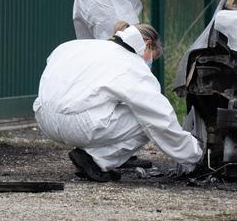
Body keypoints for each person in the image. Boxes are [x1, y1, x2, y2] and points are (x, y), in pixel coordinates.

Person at [33, 22, 203, 181]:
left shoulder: (72, 46)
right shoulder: (132, 64)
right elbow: (159, 117)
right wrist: (195, 155)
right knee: (146, 119)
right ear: (148, 44)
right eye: (152, 57)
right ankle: (97, 159)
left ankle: (89, 155)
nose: (149, 63)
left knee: (117, 104)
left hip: (44, 119)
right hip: (78, 124)